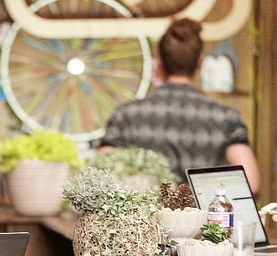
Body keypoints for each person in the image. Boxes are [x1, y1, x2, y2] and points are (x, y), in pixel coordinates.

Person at [98, 18, 260, 196]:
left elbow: (100, 174)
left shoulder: (126, 115)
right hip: (203, 222)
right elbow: (250, 183)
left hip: (144, 221)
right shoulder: (226, 118)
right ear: (199, 61)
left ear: (158, 61)